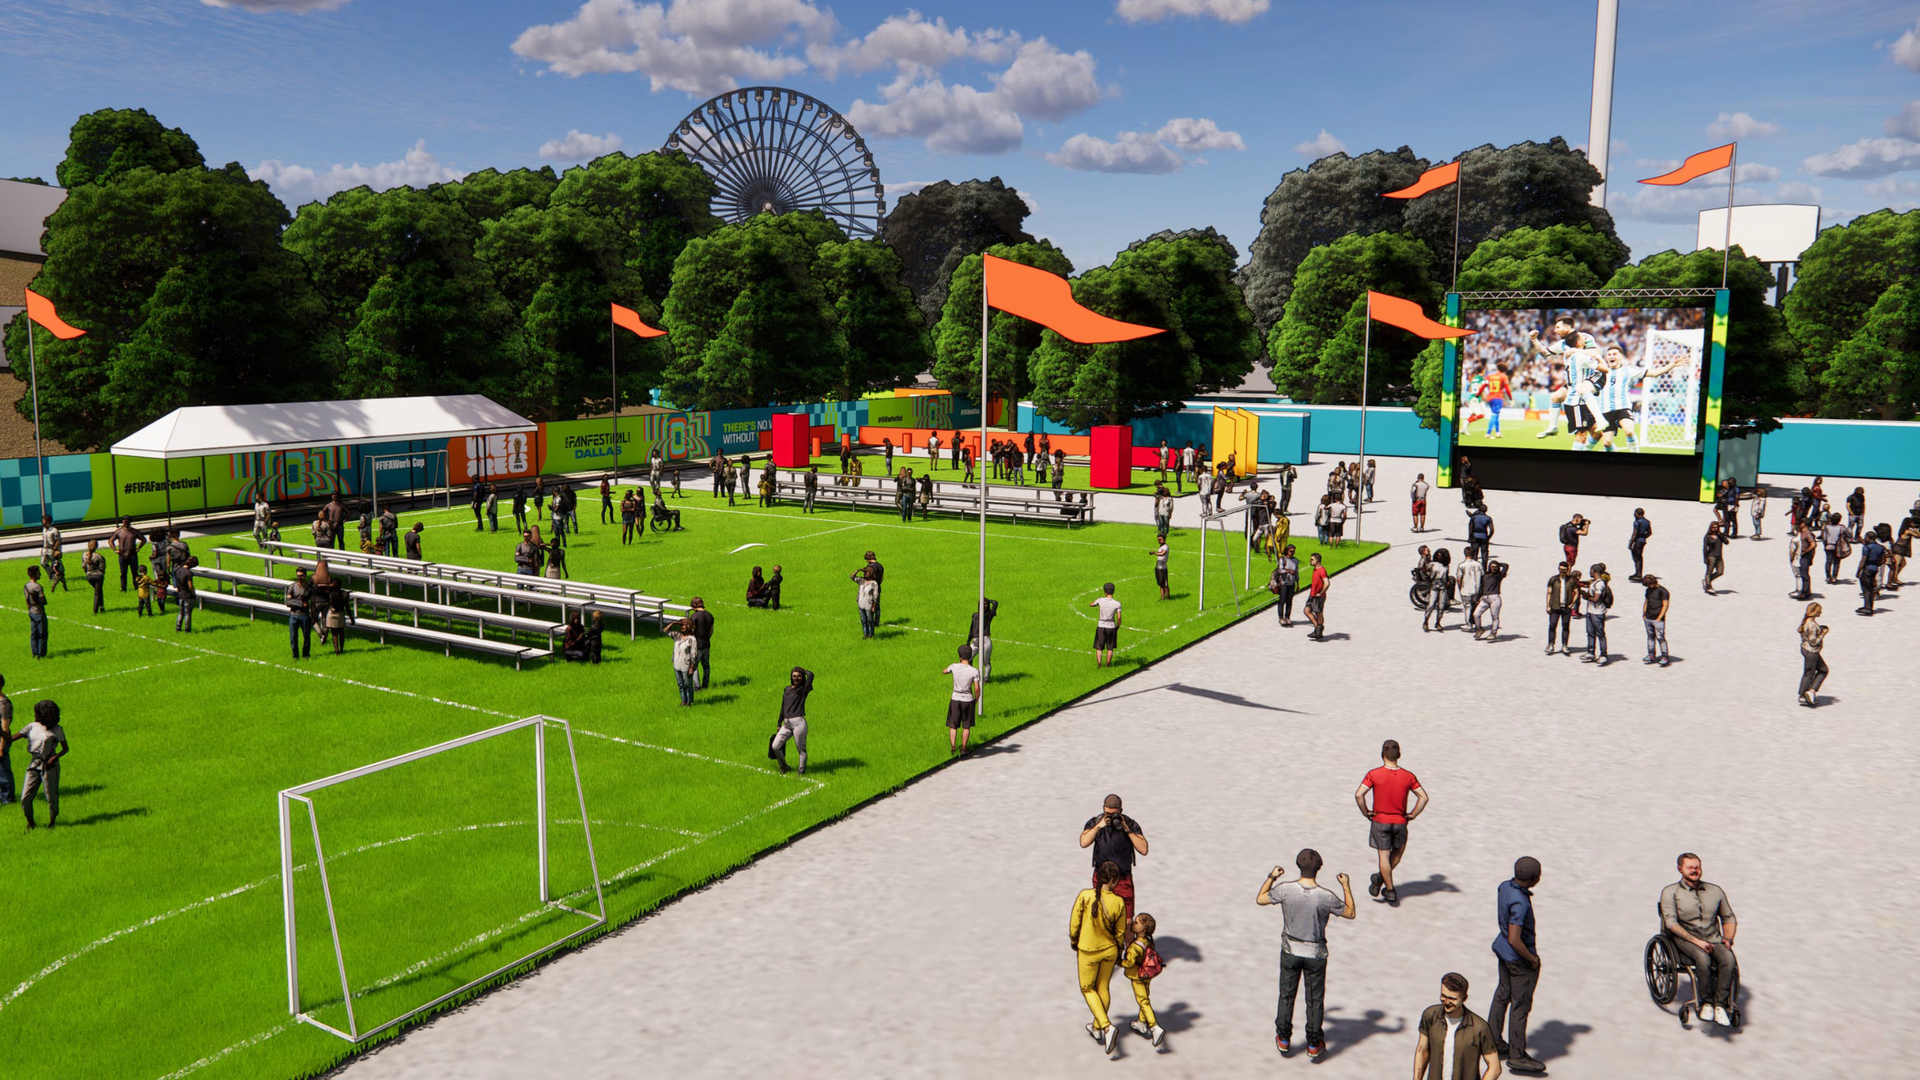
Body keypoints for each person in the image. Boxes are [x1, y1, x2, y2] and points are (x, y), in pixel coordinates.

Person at [1258, 849, 1355, 1058]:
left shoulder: (1285, 889)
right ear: (1319, 868)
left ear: (1298, 865)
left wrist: (1272, 877)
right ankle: (1313, 1043)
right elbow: (1350, 912)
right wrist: (1346, 885)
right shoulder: (1326, 896)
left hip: (1290, 950)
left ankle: (1283, 1038)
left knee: (1286, 995)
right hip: (1316, 953)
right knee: (1315, 1000)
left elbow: (1261, 898)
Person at [1661, 853, 1740, 1026]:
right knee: (1703, 959)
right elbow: (1671, 923)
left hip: (1713, 938)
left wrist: (1728, 938)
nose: (1695, 870)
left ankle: (1720, 1004)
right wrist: (1697, 942)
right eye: (1690, 867)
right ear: (1680, 869)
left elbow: (1728, 917)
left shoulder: (1715, 891)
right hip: (1685, 940)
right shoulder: (1670, 892)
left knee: (1728, 959)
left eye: (1697, 867)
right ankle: (1706, 1002)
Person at [1488, 856, 1545, 1074]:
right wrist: (1531, 959)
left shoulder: (1505, 886)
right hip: (1518, 960)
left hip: (1502, 951)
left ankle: (1492, 1040)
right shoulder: (1520, 903)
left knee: (1502, 995)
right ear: (1533, 878)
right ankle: (1517, 1055)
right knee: (1520, 1006)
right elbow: (1514, 938)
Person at [1356, 739, 1427, 905]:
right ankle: (1383, 879)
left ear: (1382, 755)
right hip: (1400, 821)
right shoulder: (1408, 776)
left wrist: (1366, 812)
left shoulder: (1374, 774)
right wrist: (1413, 814)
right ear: (1399, 755)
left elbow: (1359, 794)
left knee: (1383, 856)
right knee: (1398, 851)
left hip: (1380, 820)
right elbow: (1423, 797)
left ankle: (1389, 889)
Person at [1070, 860, 1129, 1056]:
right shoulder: (1119, 902)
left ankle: (1106, 1026)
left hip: (1088, 950)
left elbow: (1074, 923)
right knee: (1103, 987)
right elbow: (1120, 932)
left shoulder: (1085, 896)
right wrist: (1119, 951)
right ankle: (1096, 1028)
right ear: (1114, 880)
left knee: (1088, 989)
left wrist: (1074, 940)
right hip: (1110, 950)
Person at [1412, 972, 1503, 1080]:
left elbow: (1495, 1067)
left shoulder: (1479, 1028)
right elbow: (1422, 1050)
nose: (1447, 1002)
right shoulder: (1430, 1016)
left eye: (1452, 999)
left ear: (1464, 998)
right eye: (1443, 996)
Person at [1079, 794, 1149, 932]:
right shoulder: (1096, 822)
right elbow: (1083, 842)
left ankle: (1128, 946)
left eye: (1114, 814)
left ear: (1120, 811)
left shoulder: (1129, 824)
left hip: (1122, 879)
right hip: (1101, 879)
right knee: (1100, 916)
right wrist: (1100, 825)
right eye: (1107, 813)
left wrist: (1127, 829)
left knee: (1127, 920)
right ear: (1103, 809)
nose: (1110, 817)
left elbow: (1144, 849)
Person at [18, 699, 68, 829]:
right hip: (34, 765)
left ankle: (52, 823)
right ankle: (30, 823)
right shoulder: (32, 726)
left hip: (50, 766)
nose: (35, 715)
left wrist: (54, 757)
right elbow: (11, 738)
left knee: (51, 796)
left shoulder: (57, 730)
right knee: (25, 797)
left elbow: (65, 749)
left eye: (37, 713)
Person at [1121, 913, 1167, 1049]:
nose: (1133, 924)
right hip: (1147, 974)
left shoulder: (1135, 947)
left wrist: (1117, 961)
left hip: (1137, 977)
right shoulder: (1149, 941)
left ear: (1142, 930)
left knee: (1143, 1001)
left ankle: (1154, 1027)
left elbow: (1129, 963)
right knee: (1145, 997)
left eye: (1136, 923)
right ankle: (1141, 1023)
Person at [769, 666, 814, 775]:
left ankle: (801, 772)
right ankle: (784, 766)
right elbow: (783, 706)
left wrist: (804, 671)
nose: (796, 678)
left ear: (802, 677)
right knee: (775, 746)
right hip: (786, 724)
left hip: (798, 723)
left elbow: (811, 675)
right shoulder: (787, 689)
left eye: (799, 676)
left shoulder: (803, 689)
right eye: (794, 676)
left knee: (801, 749)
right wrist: (779, 722)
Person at [943, 643, 981, 756]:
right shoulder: (974, 671)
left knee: (953, 725)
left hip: (955, 699)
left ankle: (953, 747)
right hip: (968, 700)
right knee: (966, 726)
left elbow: (945, 671)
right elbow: (977, 689)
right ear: (970, 656)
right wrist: (976, 700)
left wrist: (948, 670)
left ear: (960, 656)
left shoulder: (954, 667)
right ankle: (964, 748)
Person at [1797, 602, 1829, 706]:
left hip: (1806, 649)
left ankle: (1809, 691)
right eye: (1819, 610)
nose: (1821, 612)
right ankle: (1804, 694)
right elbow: (1813, 641)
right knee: (1810, 673)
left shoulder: (1807, 621)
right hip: (1811, 651)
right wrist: (1823, 633)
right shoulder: (1811, 625)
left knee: (1821, 670)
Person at [1580, 563, 1613, 665]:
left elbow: (1596, 599)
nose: (1590, 572)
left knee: (1600, 633)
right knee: (1590, 632)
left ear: (1594, 571)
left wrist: (1586, 596)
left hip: (1598, 612)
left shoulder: (1599, 584)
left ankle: (1603, 654)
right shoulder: (1594, 582)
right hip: (1590, 611)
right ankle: (1591, 652)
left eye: (1591, 570)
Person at [1641, 574, 1671, 666]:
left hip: (1658, 619)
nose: (1649, 587)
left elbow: (1665, 605)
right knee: (1650, 636)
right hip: (1648, 618)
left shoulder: (1663, 591)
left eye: (1649, 584)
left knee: (1660, 637)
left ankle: (1664, 656)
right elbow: (1646, 602)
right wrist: (1644, 613)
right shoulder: (1648, 590)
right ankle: (1651, 654)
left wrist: (1659, 617)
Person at [1474, 557, 1507, 641]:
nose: (1494, 568)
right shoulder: (1484, 576)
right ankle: (1479, 629)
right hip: (1484, 598)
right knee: (1476, 614)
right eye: (1492, 566)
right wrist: (1478, 598)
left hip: (1494, 598)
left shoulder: (1498, 576)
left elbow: (1506, 566)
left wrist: (1499, 564)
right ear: (1489, 567)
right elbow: (1481, 588)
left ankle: (1493, 633)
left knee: (1494, 617)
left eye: (1496, 567)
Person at [1090, 582, 1122, 667]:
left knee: (1099, 647)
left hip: (1101, 625)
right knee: (1110, 647)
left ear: (1105, 592)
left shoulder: (1100, 600)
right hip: (1111, 626)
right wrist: (1118, 626)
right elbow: (1119, 618)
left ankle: (1099, 664)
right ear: (1113, 591)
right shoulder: (1117, 603)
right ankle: (1108, 665)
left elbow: (1092, 604)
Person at [1857, 526, 1887, 615]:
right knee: (1871, 588)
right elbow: (1883, 560)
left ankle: (1867, 607)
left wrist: (1859, 570)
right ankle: (1869, 606)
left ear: (1869, 538)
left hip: (1867, 568)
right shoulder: (1880, 547)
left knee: (1866, 588)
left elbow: (1863, 560)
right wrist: (1877, 564)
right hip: (1874, 568)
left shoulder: (1867, 547)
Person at [668, 618, 698, 705]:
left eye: (684, 625)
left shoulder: (692, 639)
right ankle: (683, 701)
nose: (682, 627)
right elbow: (665, 631)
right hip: (677, 664)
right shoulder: (677, 635)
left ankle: (689, 702)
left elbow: (694, 654)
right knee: (680, 684)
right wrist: (673, 623)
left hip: (686, 665)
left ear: (688, 626)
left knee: (687, 684)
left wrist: (691, 667)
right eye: (681, 626)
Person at [111, 517, 145, 591]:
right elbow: (111, 540)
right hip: (122, 554)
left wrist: (139, 548)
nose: (125, 523)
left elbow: (143, 539)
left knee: (134, 572)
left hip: (132, 554)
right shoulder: (119, 531)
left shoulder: (134, 531)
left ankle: (136, 587)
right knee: (123, 573)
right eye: (124, 521)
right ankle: (123, 588)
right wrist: (115, 550)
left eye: (127, 521)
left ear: (130, 522)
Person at [1422, 548, 1451, 633]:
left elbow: (1446, 576)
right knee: (1431, 604)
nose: (1439, 557)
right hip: (1434, 584)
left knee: (1441, 606)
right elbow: (1425, 570)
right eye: (1438, 555)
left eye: (1441, 556)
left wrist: (1448, 582)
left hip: (1443, 586)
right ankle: (1426, 621)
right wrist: (1426, 561)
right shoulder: (1433, 564)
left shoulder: (1446, 566)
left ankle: (1438, 622)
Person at [1456, 547, 1484, 635]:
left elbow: (1459, 578)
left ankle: (1468, 624)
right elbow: (1483, 575)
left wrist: (1460, 587)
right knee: (1475, 607)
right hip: (1476, 589)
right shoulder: (1478, 564)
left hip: (1465, 589)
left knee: (1467, 607)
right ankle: (1476, 624)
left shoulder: (1462, 565)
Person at [688, 597, 713, 688]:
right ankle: (705, 684)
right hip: (706, 644)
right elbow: (711, 631)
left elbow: (692, 631)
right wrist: (707, 638)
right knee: (706, 665)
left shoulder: (694, 616)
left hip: (697, 645)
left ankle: (697, 686)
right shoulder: (709, 615)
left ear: (695, 606)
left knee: (694, 666)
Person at [24, 566, 48, 659]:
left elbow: (27, 600)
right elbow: (43, 601)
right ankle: (41, 654)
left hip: (31, 612)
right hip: (39, 612)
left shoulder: (26, 586)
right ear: (34, 574)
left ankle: (34, 652)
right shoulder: (38, 587)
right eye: (38, 572)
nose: (40, 574)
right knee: (42, 634)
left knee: (34, 633)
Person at [323, 574, 351, 654]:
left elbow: (323, 588)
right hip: (340, 613)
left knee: (334, 634)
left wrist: (329, 585)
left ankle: (337, 650)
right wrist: (351, 618)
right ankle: (341, 649)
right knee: (341, 632)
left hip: (331, 613)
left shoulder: (330, 593)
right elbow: (347, 607)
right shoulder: (345, 594)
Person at [1305, 552, 1330, 640]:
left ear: (1317, 560)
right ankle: (1317, 627)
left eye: (1312, 559)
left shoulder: (1321, 570)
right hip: (1312, 595)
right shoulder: (1315, 569)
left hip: (1318, 596)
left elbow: (1327, 583)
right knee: (1307, 611)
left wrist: (1320, 593)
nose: (1310, 561)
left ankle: (1318, 630)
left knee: (1318, 613)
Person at [1821, 512, 1848, 584]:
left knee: (1828, 562)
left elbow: (1824, 538)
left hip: (1828, 546)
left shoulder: (1827, 527)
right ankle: (1834, 577)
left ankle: (1828, 577)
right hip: (1838, 547)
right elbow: (1848, 535)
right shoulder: (1841, 527)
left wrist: (1825, 545)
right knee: (1836, 562)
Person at [173, 555, 198, 632]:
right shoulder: (188, 573)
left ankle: (178, 627)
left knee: (181, 612)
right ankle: (187, 629)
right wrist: (194, 594)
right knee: (188, 613)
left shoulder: (178, 570)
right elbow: (190, 586)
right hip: (188, 596)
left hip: (180, 594)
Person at [853, 566, 880, 638]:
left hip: (869, 604)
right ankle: (865, 634)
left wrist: (874, 606)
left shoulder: (874, 583)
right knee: (863, 620)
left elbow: (875, 596)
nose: (865, 574)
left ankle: (870, 635)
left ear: (871, 573)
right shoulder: (861, 580)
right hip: (861, 604)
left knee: (869, 620)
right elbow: (852, 577)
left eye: (867, 572)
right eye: (865, 572)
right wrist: (858, 570)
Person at [1702, 521, 1727, 595]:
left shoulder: (1719, 536)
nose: (1714, 529)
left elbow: (1726, 542)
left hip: (1719, 556)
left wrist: (1720, 535)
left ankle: (1707, 581)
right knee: (1709, 572)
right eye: (1713, 527)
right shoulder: (1707, 537)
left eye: (1716, 527)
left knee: (1720, 572)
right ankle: (1708, 586)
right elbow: (1705, 548)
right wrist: (1705, 558)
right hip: (1711, 556)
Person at [82, 540, 106, 614]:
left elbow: (83, 566)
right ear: (97, 546)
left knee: (98, 590)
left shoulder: (84, 555)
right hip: (98, 576)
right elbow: (102, 567)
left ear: (88, 545)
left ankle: (102, 607)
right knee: (97, 592)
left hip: (89, 576)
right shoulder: (99, 556)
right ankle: (95, 610)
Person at [1627, 507, 1652, 581]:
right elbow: (1650, 532)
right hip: (1642, 540)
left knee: (1637, 558)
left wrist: (1631, 542)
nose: (1634, 515)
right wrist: (1643, 537)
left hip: (1638, 541)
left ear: (1638, 514)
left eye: (1635, 513)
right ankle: (1638, 573)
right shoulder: (1647, 522)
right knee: (1639, 557)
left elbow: (1635, 533)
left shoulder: (1637, 522)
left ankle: (1638, 574)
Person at [0, 677, 13, 807]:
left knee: (3, 771)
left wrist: (1, 748)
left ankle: (7, 799)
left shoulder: (4, 705)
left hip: (1, 741)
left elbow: (5, 728)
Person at [1152, 534, 1170, 601]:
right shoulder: (1161, 546)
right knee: (1161, 584)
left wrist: (1154, 553)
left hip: (1163, 568)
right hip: (1158, 567)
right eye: (1158, 539)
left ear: (1164, 539)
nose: (1159, 541)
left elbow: (1162, 553)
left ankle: (1168, 597)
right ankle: (1162, 597)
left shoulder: (1165, 547)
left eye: (1160, 539)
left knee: (1165, 584)